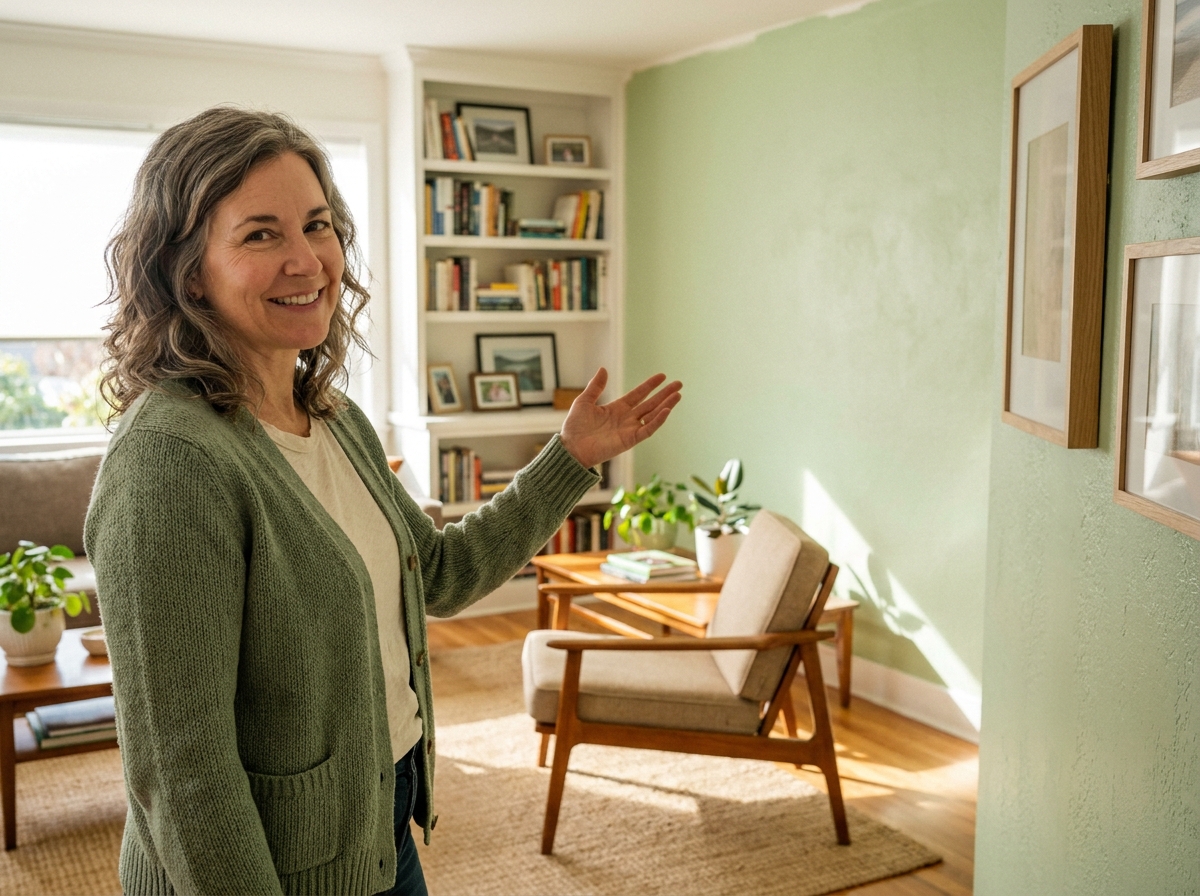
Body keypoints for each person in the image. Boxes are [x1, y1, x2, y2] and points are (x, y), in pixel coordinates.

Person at [84, 107, 681, 896]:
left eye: (318, 225)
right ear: (188, 270)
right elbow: (181, 772)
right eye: (260, 234)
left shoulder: (334, 418)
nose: (308, 261)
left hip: (376, 829)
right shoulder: (171, 460)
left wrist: (568, 460)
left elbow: (442, 574)